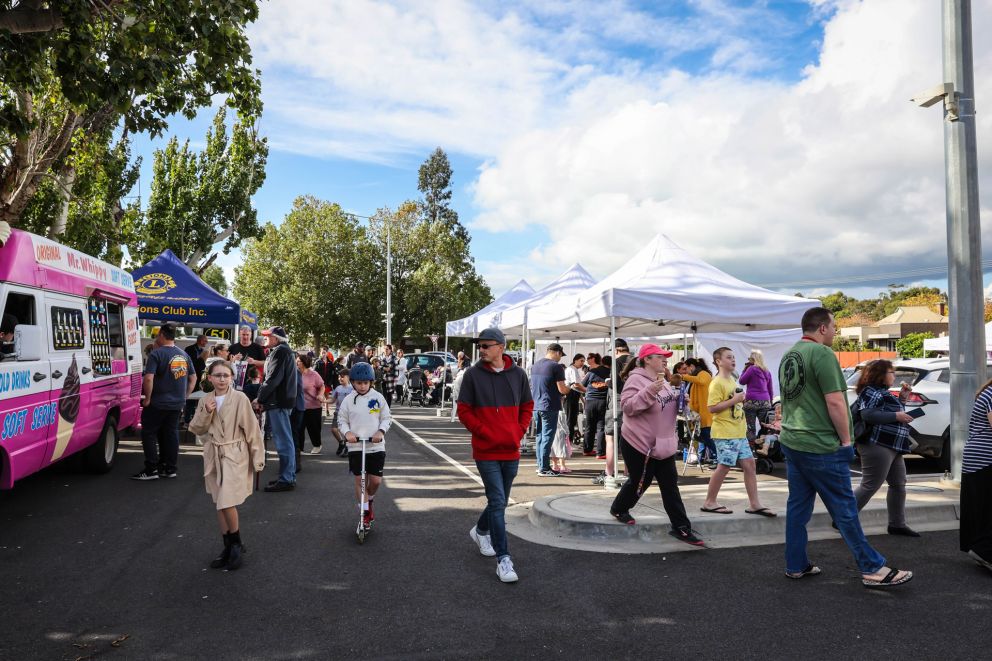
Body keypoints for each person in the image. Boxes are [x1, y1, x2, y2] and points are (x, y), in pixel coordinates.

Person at [779, 307, 912, 587]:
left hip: (793, 441)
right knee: (845, 510)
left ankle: (796, 564)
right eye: (835, 327)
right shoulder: (823, 354)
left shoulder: (789, 354)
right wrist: (847, 441)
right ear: (823, 328)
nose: (836, 332)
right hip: (820, 444)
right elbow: (836, 402)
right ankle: (872, 567)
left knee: (798, 508)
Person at [457, 327, 533, 583]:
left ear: (501, 346)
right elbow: (464, 411)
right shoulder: (472, 375)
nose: (482, 350)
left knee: (498, 500)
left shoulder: (518, 374)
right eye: (480, 346)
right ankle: (504, 559)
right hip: (486, 450)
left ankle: (480, 531)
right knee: (499, 501)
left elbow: (527, 405)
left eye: (486, 345)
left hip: (511, 449)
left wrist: (519, 430)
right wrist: (484, 431)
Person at [609, 344, 703, 546]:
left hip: (663, 444)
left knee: (669, 486)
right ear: (647, 360)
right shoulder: (636, 379)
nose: (665, 360)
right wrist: (649, 391)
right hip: (639, 443)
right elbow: (627, 407)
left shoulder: (662, 379)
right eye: (661, 357)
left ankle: (681, 528)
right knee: (638, 482)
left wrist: (680, 400)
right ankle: (618, 508)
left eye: (666, 357)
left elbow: (665, 405)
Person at [188, 360, 265, 570]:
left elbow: (252, 430)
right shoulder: (206, 399)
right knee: (219, 503)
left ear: (232, 377)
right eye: (218, 375)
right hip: (214, 455)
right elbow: (195, 428)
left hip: (234, 455)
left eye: (226, 375)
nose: (222, 379)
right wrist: (206, 411)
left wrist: (258, 457)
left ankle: (237, 545)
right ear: (210, 378)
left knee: (226, 501)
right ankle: (228, 545)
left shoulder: (240, 398)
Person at [700, 347, 776, 517]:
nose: (733, 360)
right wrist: (735, 400)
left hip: (738, 432)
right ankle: (710, 502)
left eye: (733, 357)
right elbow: (712, 408)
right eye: (729, 357)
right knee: (724, 466)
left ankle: (755, 503)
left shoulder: (732, 381)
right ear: (718, 361)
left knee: (750, 465)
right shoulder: (717, 382)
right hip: (726, 432)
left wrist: (738, 400)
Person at [852, 360, 919, 536]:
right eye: (892, 372)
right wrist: (897, 415)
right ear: (881, 375)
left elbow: (888, 413)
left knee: (898, 484)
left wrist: (903, 398)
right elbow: (868, 414)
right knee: (870, 485)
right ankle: (843, 518)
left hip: (892, 444)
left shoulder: (882, 392)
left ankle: (897, 524)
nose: (894, 376)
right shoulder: (870, 391)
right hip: (877, 444)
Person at [133, 323, 195, 480]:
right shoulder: (183, 354)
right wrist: (185, 396)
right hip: (177, 403)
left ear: (161, 334)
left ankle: (151, 469)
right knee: (171, 434)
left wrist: (147, 398)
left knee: (149, 434)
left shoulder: (156, 354)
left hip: (158, 402)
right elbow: (193, 377)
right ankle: (169, 468)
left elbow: (148, 378)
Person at [338, 362, 392, 529]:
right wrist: (347, 433)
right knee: (360, 481)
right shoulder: (348, 400)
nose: (362, 386)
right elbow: (342, 420)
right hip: (356, 447)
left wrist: (380, 432)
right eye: (359, 383)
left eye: (365, 383)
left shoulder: (378, 397)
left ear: (371, 382)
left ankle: (369, 500)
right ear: (353, 382)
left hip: (375, 446)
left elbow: (386, 418)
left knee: (375, 481)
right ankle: (365, 513)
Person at [256, 326, 299, 492]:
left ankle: (287, 478)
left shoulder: (280, 352)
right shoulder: (284, 351)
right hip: (281, 401)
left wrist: (260, 398)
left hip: (278, 401)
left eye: (268, 336)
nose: (265, 338)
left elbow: (273, 379)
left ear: (276, 338)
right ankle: (288, 477)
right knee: (285, 440)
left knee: (283, 441)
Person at [961, 377, 992, 573]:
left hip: (979, 457)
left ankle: (982, 550)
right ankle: (985, 551)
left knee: (984, 508)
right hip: (986, 458)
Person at [530, 343, 569, 476]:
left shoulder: (535, 365)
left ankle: (540, 465)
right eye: (560, 355)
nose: (560, 358)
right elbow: (562, 389)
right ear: (557, 352)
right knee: (547, 436)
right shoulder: (556, 366)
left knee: (540, 436)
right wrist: (570, 388)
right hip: (549, 405)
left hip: (536, 404)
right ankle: (544, 468)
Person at [683, 358, 717, 465]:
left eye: (686, 368)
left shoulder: (704, 374)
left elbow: (700, 381)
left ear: (691, 366)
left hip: (705, 412)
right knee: (704, 437)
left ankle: (720, 458)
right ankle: (711, 457)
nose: (686, 371)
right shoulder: (698, 375)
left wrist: (683, 377)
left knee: (706, 436)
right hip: (700, 413)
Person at [740, 349, 775, 442]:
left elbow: (741, 381)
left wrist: (744, 370)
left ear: (752, 359)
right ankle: (764, 449)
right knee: (765, 427)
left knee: (750, 428)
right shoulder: (767, 371)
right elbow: (770, 389)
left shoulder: (751, 369)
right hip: (765, 402)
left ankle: (751, 450)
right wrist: (770, 402)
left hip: (751, 402)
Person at [582, 353, 610, 458]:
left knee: (589, 426)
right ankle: (600, 452)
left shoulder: (591, 372)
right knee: (601, 427)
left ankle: (587, 450)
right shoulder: (610, 372)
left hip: (590, 401)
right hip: (603, 401)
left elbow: (582, 384)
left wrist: (588, 391)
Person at [297, 353, 325, 454]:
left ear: (304, 363)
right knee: (299, 428)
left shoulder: (313, 374)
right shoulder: (296, 373)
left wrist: (321, 395)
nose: (297, 362)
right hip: (299, 406)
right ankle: (299, 448)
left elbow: (322, 386)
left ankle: (317, 445)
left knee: (313, 428)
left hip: (313, 406)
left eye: (299, 361)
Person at [564, 354, 586, 448]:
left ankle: (570, 441)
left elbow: (577, 386)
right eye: (581, 361)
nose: (582, 363)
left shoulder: (574, 369)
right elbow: (576, 385)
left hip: (574, 395)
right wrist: (586, 390)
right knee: (570, 420)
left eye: (583, 361)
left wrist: (583, 399)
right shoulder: (572, 369)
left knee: (572, 420)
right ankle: (568, 442)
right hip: (570, 395)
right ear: (575, 360)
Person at [330, 371, 354, 456]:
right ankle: (341, 443)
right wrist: (323, 400)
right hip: (338, 412)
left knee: (346, 431)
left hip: (349, 413)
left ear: (348, 378)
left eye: (342, 377)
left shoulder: (353, 389)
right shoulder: (338, 388)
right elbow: (332, 400)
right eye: (339, 377)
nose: (340, 378)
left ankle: (347, 448)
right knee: (334, 429)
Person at [314, 349, 338, 416]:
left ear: (327, 353)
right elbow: (315, 372)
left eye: (325, 353)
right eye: (322, 353)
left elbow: (333, 372)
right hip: (320, 383)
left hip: (327, 382)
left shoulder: (330, 362)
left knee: (327, 397)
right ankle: (319, 410)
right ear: (320, 353)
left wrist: (331, 382)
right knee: (320, 397)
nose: (324, 354)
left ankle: (327, 410)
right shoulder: (318, 362)